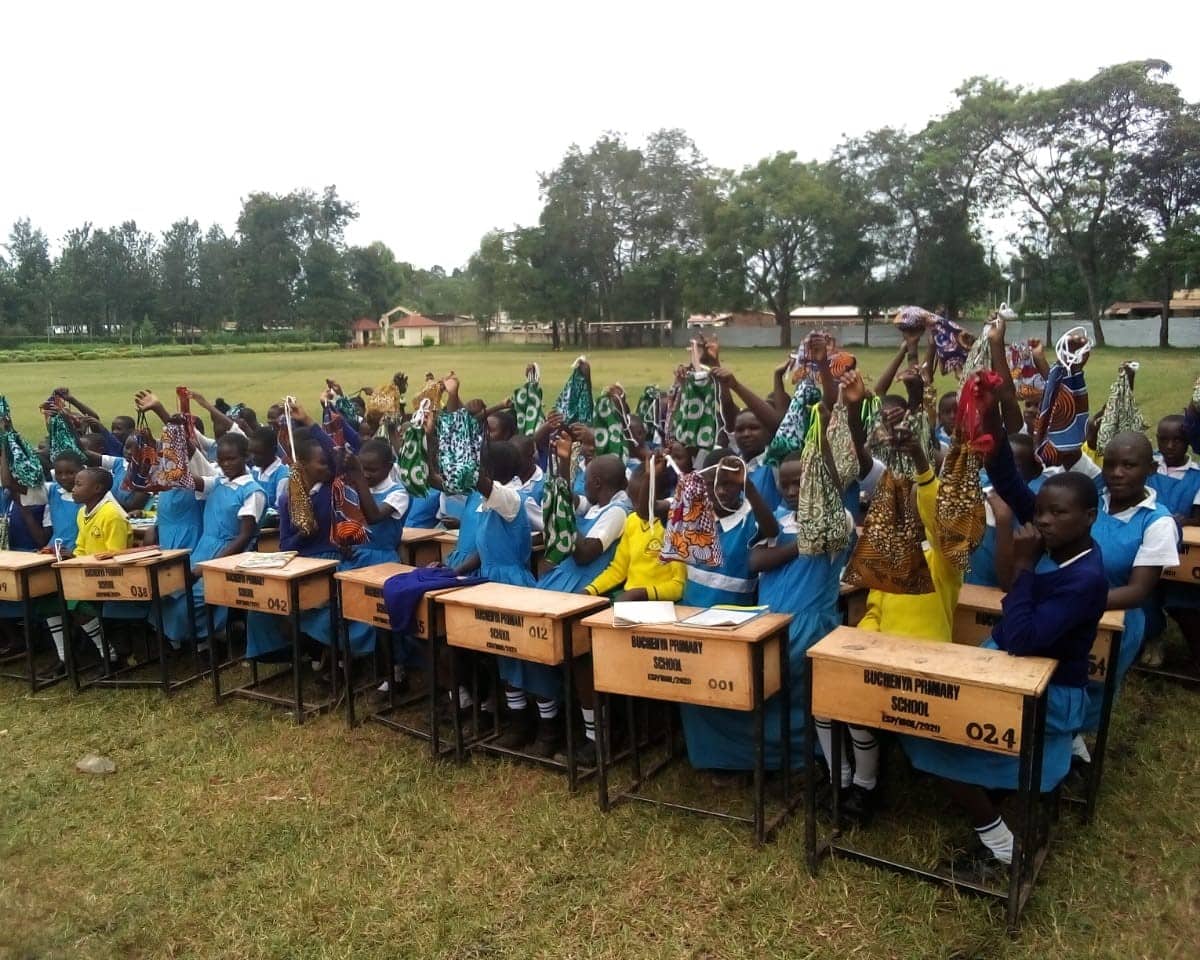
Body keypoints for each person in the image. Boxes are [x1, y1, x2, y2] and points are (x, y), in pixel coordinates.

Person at [907, 446, 1108, 882]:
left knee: (931, 737)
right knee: (935, 723)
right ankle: (996, 800)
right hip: (1013, 673)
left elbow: (1021, 638)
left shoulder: (1084, 578)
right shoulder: (1060, 541)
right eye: (1041, 512)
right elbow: (1010, 482)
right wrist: (990, 428)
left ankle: (1003, 845)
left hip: (1047, 694)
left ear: (1090, 517)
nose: (1045, 521)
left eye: (1059, 513)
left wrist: (1022, 566)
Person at [989, 428, 1177, 771]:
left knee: (1090, 690)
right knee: (1054, 680)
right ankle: (1061, 751)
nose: (1118, 473)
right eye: (1111, 464)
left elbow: (1138, 590)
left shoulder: (1157, 520)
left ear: (1150, 469)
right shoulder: (1078, 500)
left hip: (1113, 612)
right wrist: (993, 426)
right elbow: (1011, 485)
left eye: (1130, 465)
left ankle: (1068, 755)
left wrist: (1076, 602)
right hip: (1063, 606)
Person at [679, 447, 849, 776]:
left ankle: (802, 761)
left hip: (809, 623)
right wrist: (754, 492)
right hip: (767, 620)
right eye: (785, 485)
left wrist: (791, 542)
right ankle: (735, 759)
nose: (791, 492)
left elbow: (815, 535)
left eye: (800, 483)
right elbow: (756, 561)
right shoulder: (780, 517)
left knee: (777, 683)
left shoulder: (836, 517)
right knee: (724, 678)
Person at [537, 439, 631, 764]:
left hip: (592, 594)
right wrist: (562, 472)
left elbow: (585, 552)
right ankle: (579, 727)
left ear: (597, 483)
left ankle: (598, 739)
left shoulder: (618, 512)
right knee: (568, 661)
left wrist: (563, 517)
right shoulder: (598, 505)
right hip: (572, 589)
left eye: (586, 480)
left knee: (583, 665)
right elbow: (572, 502)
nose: (583, 486)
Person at [679, 451, 779, 608]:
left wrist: (749, 487)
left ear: (741, 484)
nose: (720, 491)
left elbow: (772, 531)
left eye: (728, 484)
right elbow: (650, 510)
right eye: (712, 484)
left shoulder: (751, 518)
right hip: (690, 614)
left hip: (733, 620)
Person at [1142, 414, 1200, 669]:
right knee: (1146, 596)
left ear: (1188, 442)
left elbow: (1197, 518)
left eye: (1177, 440)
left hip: (1182, 552)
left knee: (1182, 600)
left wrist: (1184, 521)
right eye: (1163, 440)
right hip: (1147, 545)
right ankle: (1152, 638)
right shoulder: (1148, 465)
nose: (1169, 446)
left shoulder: (1196, 476)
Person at [585, 460, 686, 604]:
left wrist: (642, 594)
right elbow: (618, 570)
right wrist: (589, 590)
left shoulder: (674, 527)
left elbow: (678, 586)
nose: (637, 507)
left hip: (661, 604)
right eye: (633, 500)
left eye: (642, 501)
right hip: (630, 600)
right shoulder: (632, 521)